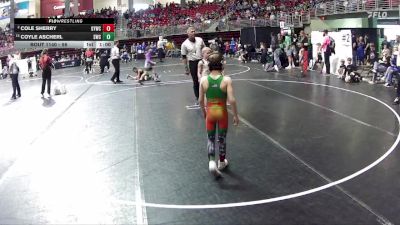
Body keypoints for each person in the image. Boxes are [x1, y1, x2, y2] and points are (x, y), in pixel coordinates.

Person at [199, 52, 239, 177]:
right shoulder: (226, 80)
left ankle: (211, 162)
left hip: (210, 112)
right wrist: (236, 115)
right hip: (222, 113)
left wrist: (204, 112)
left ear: (209, 66)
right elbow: (232, 100)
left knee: (210, 139)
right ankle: (221, 162)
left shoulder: (204, 80)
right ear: (221, 66)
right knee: (222, 138)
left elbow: (200, 100)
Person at [181, 26, 205, 106]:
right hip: (192, 63)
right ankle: (198, 97)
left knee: (205, 79)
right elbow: (184, 57)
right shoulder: (184, 44)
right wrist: (186, 69)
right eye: (191, 31)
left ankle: (208, 96)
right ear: (187, 33)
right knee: (195, 81)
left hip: (201, 61)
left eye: (194, 31)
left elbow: (205, 49)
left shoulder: (200, 40)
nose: (193, 32)